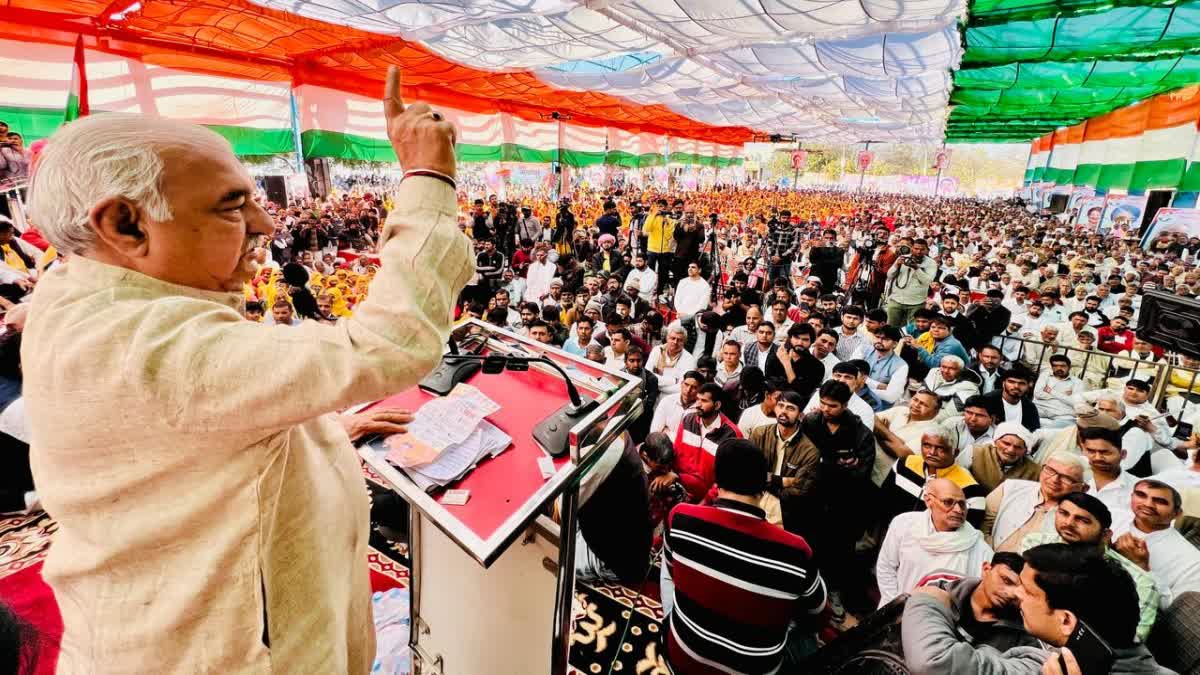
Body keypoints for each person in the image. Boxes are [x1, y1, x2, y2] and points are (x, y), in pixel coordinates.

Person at [21, 71, 473, 671]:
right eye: (233, 206)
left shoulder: (87, 296)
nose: (265, 225)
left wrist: (316, 439)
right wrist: (428, 180)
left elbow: (180, 439)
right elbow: (387, 345)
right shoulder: (138, 342)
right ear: (126, 225)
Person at [661, 439, 827, 674]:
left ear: (717, 482)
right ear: (763, 486)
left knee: (670, 567)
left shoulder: (680, 518)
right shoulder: (797, 551)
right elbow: (818, 616)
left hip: (682, 658)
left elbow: (673, 571)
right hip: (754, 669)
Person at [902, 543, 1173, 675]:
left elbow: (933, 660)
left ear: (1066, 620)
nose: (1017, 595)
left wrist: (929, 600)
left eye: (1028, 591)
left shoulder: (1046, 669)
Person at [1018, 490, 1161, 643]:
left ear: (1106, 534)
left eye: (1083, 520)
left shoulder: (1141, 582)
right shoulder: (1034, 544)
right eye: (1064, 513)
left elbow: (1132, 640)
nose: (1068, 523)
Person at [802, 381, 876, 614]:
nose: (825, 409)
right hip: (812, 499)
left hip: (844, 505)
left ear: (845, 405)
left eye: (832, 406)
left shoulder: (860, 433)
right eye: (823, 403)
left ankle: (833, 595)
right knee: (809, 549)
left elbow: (861, 473)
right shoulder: (811, 423)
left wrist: (826, 466)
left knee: (838, 554)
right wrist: (835, 466)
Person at [876, 479, 993, 606]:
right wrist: (895, 606)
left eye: (962, 504)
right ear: (928, 500)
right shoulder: (904, 524)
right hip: (893, 609)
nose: (958, 510)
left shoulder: (980, 549)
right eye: (948, 502)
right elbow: (886, 567)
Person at [921, 553, 1039, 652]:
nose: (1011, 593)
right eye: (1006, 580)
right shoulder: (940, 584)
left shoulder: (1023, 636)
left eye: (1021, 590)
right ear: (986, 569)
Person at [1111, 479, 1200, 605]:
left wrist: (1142, 568)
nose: (1148, 504)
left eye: (1160, 501)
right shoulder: (1112, 518)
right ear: (1131, 497)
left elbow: (1175, 610)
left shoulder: (1192, 561)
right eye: (1141, 495)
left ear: (1177, 513)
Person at [879, 424, 988, 527]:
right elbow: (883, 500)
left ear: (955, 452)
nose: (932, 452)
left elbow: (969, 527)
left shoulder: (971, 489)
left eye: (940, 448)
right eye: (927, 446)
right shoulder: (905, 463)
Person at [982, 452, 1089, 552]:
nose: (1054, 480)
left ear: (1083, 488)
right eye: (1050, 470)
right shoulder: (1009, 488)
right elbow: (983, 526)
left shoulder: (1078, 517)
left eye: (1066, 478)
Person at [750, 390, 820, 534]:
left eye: (790, 408)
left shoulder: (810, 450)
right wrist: (783, 481)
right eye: (780, 405)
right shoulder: (760, 433)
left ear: (800, 415)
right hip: (754, 498)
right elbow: (747, 472)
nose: (783, 411)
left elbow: (800, 491)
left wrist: (766, 479)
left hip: (784, 510)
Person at [670, 382, 743, 503]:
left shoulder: (732, 435)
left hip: (708, 499)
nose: (697, 404)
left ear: (717, 405)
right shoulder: (688, 420)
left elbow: (725, 478)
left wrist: (705, 502)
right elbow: (676, 453)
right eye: (697, 399)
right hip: (679, 487)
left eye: (704, 401)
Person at [1080, 426, 1140, 518]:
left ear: (1123, 454)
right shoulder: (1074, 476)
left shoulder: (1137, 489)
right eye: (1091, 451)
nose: (1098, 458)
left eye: (1105, 453)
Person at [968, 422, 1042, 494]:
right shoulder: (974, 452)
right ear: (996, 441)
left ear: (1025, 451)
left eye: (1018, 447)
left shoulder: (1035, 472)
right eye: (1006, 443)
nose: (1011, 450)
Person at [884, 238, 937, 327]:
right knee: (891, 327)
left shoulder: (931, 263)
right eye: (916, 249)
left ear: (927, 250)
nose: (919, 251)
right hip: (897, 299)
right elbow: (889, 276)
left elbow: (927, 281)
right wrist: (897, 265)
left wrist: (916, 268)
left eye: (922, 249)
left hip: (916, 302)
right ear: (912, 248)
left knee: (913, 329)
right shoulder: (903, 257)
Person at [765, 322, 824, 401]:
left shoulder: (817, 366)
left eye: (805, 339)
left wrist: (787, 364)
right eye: (796, 338)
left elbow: (801, 392)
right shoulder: (776, 356)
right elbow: (770, 384)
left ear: (811, 342)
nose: (800, 342)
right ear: (790, 338)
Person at [860, 324, 908, 410]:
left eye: (885, 339)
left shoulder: (901, 366)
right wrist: (880, 386)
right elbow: (848, 372)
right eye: (877, 337)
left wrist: (864, 384)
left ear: (894, 344)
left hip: (878, 406)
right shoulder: (863, 349)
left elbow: (891, 396)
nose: (879, 340)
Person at [982, 367, 1041, 432]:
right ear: (1003, 384)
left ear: (1028, 386)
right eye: (1011, 382)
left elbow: (1034, 431)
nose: (1016, 386)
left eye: (1022, 383)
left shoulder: (1029, 406)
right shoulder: (987, 401)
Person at [1032, 355, 1083, 429]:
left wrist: (1051, 391)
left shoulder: (1077, 382)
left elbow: (1075, 402)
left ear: (1069, 367)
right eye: (1055, 366)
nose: (1059, 368)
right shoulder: (1045, 375)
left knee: (1069, 425)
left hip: (1062, 414)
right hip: (1040, 409)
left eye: (1063, 366)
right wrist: (1064, 396)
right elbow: (1038, 394)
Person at [646, 323, 698, 395]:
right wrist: (673, 381)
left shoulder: (690, 360)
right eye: (673, 338)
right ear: (667, 338)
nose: (675, 342)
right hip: (650, 393)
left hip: (671, 397)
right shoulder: (657, 350)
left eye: (679, 340)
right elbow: (647, 375)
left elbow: (682, 388)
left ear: (684, 342)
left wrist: (655, 384)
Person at [648, 369, 701, 438]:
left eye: (694, 387)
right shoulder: (667, 401)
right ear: (681, 384)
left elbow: (695, 440)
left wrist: (668, 433)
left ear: (700, 389)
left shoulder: (701, 408)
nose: (688, 390)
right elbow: (655, 432)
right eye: (686, 384)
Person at [623, 345, 658, 443]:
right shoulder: (619, 375)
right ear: (625, 362)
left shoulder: (651, 379)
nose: (636, 364)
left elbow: (649, 405)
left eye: (639, 360)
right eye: (632, 361)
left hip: (641, 421)